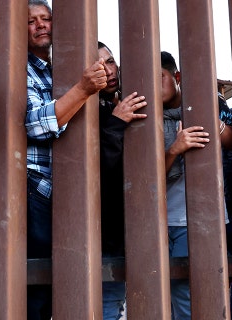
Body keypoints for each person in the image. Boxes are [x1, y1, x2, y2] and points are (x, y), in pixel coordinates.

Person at [25, 1, 107, 319]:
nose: (41, 24)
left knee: (60, 287)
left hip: (61, 193)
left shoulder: (56, 67)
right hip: (34, 188)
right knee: (36, 288)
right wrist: (83, 89)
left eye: (46, 18)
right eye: (31, 21)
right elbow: (34, 123)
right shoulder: (21, 67)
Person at [160, 51, 232, 320]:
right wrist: (173, 150)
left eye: (160, 78)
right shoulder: (143, 113)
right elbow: (145, 177)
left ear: (177, 77)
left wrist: (215, 123)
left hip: (196, 218)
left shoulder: (208, 102)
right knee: (157, 294)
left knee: (190, 296)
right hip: (155, 219)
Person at [97, 41, 147, 319]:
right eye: (100, 64)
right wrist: (115, 123)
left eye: (111, 61)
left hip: (126, 229)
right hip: (100, 230)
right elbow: (95, 169)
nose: (108, 69)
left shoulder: (122, 102)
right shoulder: (90, 111)